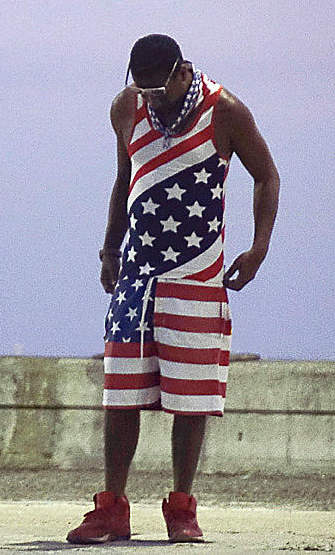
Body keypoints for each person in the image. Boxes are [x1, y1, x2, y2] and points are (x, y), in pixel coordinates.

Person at [67, 34, 280, 544]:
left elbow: (266, 175)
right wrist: (108, 250)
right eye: (143, 90)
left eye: (158, 90)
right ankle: (111, 507)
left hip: (198, 270)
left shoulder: (224, 110)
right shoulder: (126, 108)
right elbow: (125, 180)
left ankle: (182, 505)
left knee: (191, 395)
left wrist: (258, 249)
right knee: (120, 391)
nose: (151, 99)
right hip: (137, 271)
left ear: (183, 71)